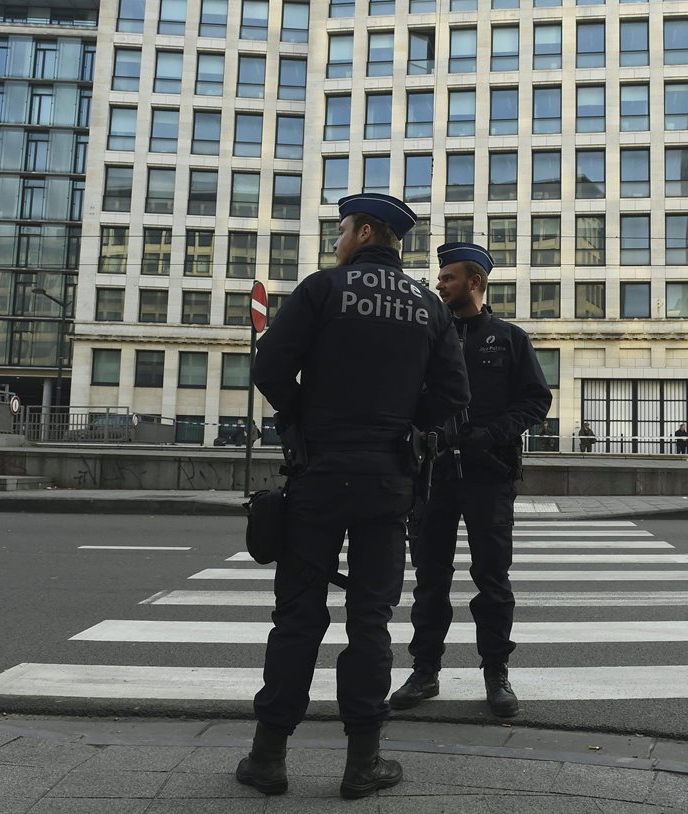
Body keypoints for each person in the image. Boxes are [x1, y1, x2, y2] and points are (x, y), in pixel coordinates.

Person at [236, 193, 470, 799]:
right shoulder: (427, 304)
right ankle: (362, 763)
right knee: (370, 623)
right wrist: (407, 430)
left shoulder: (323, 288)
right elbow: (452, 397)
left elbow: (269, 369)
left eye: (341, 230)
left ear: (365, 232)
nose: (336, 240)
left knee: (297, 618)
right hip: (390, 483)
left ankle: (268, 758)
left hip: (317, 475)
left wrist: (302, 420)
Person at [389, 242, 552, 719]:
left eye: (449, 277)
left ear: (475, 282)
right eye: (440, 278)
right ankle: (425, 672)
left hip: (489, 476)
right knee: (429, 581)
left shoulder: (508, 338)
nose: (439, 284)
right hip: (433, 477)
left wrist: (490, 436)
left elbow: (535, 400)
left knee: (492, 581)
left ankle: (496, 674)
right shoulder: (426, 336)